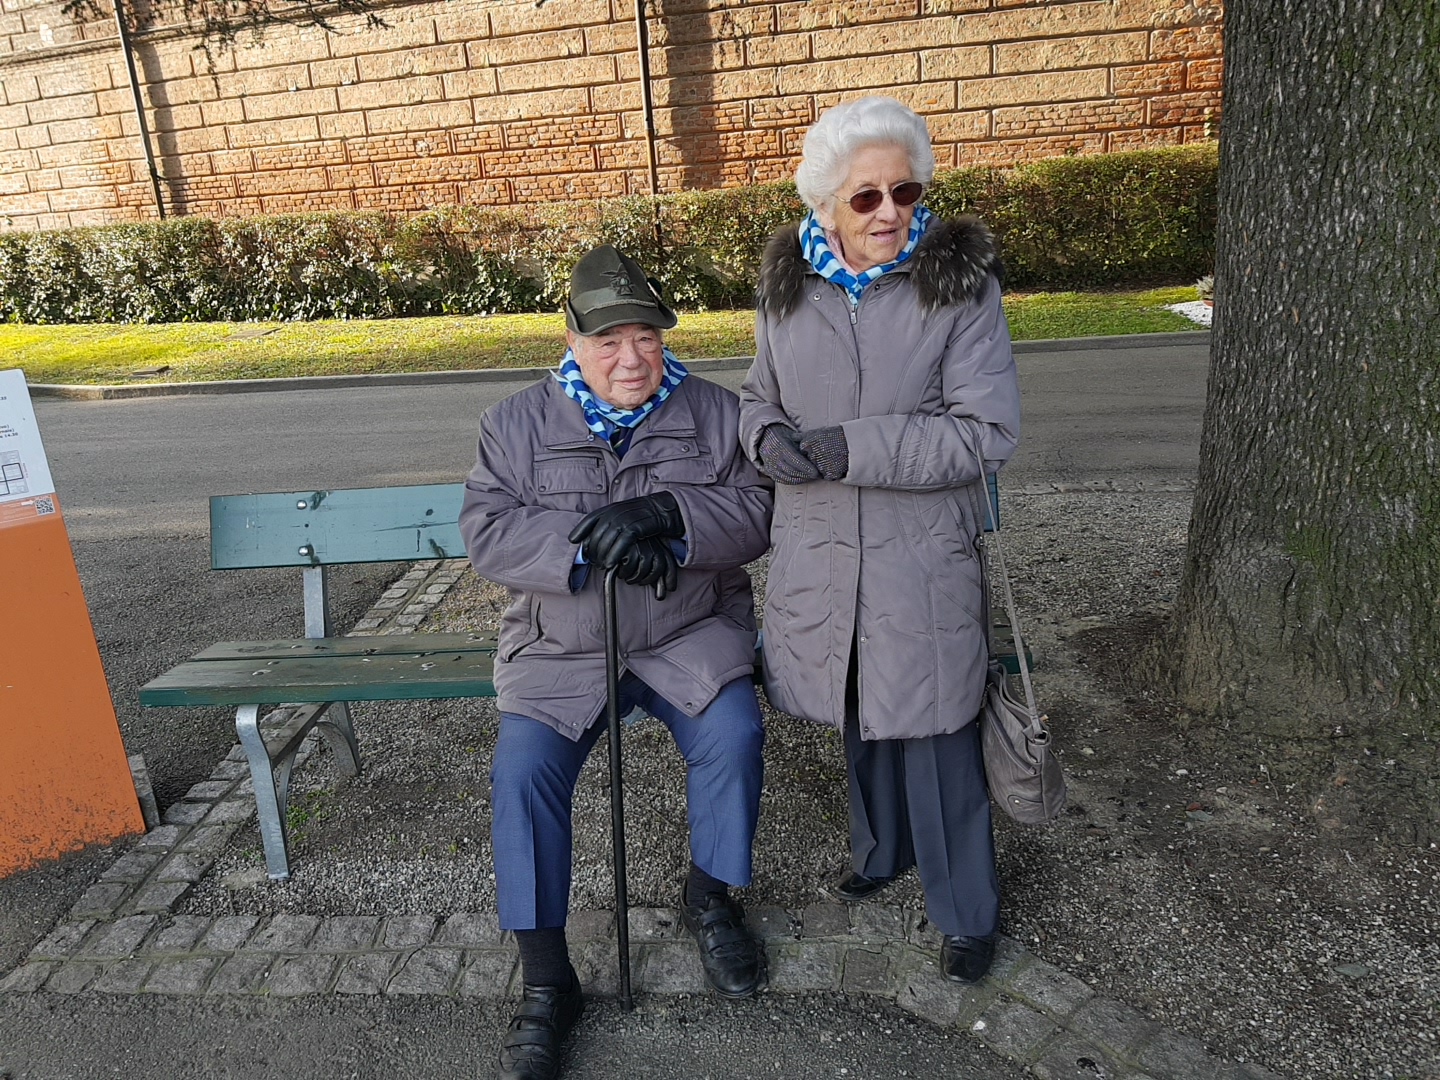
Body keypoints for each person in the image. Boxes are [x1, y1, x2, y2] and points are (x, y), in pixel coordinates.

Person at [460, 245, 773, 1080]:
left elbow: (758, 510)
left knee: (734, 737)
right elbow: (488, 531)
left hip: (686, 631)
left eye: (647, 337)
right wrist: (591, 546)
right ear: (570, 339)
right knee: (522, 776)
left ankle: (710, 899)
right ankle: (548, 979)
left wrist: (669, 513)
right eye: (608, 341)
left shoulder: (714, 412)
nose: (631, 359)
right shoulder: (514, 424)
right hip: (562, 647)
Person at [738, 95, 1021, 985]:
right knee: (857, 704)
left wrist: (849, 446)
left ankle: (967, 908)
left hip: (917, 552)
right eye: (865, 198)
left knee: (938, 729)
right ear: (825, 204)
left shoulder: (958, 288)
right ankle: (879, 850)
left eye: (904, 191)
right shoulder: (787, 292)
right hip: (823, 551)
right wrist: (764, 439)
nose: (890, 212)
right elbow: (757, 396)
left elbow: (985, 433)